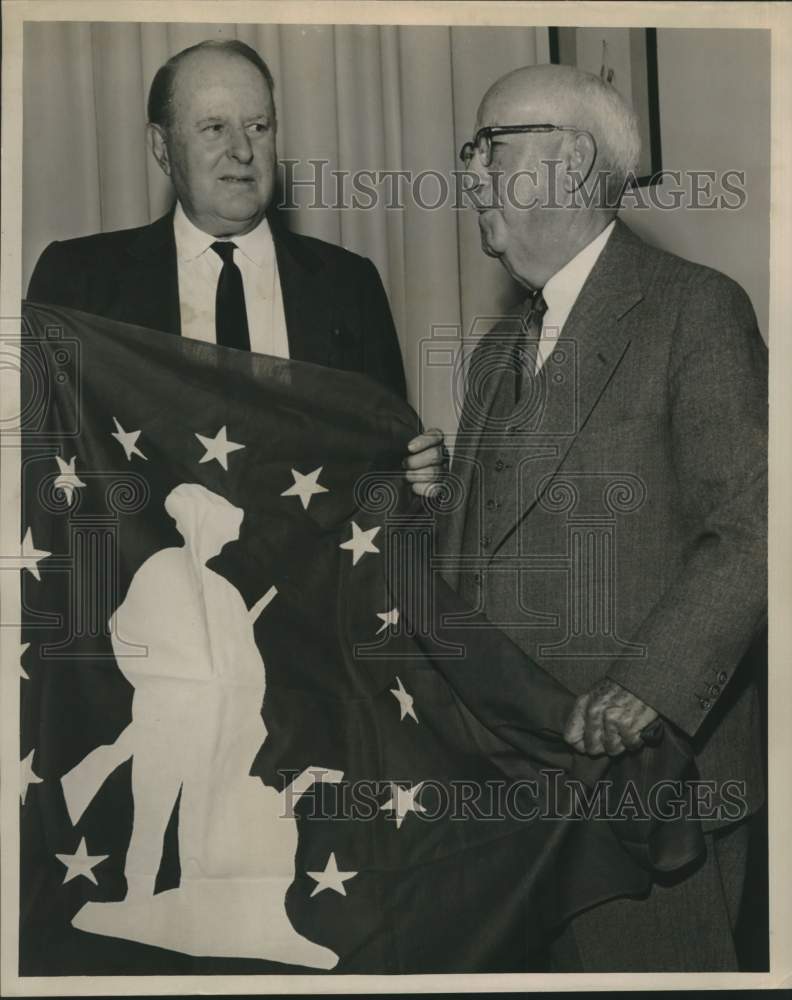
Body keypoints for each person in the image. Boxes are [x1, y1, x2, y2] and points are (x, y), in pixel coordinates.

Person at [441, 64, 767, 971]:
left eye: (487, 146)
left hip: (645, 795)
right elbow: (485, 558)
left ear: (569, 161)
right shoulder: (497, 349)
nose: (469, 172)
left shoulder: (695, 310)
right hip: (510, 795)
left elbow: (756, 525)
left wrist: (647, 688)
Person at [26, 38, 444, 493]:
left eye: (258, 126)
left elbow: (387, 462)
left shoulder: (349, 285)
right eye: (214, 128)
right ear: (161, 147)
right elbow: (43, 470)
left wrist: (420, 472)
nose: (242, 151)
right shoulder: (79, 282)